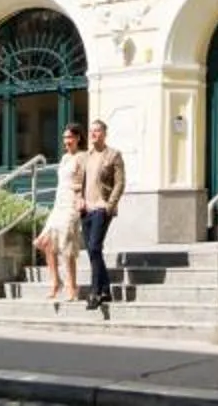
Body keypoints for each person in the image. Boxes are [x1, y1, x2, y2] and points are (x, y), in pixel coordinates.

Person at [78, 119, 124, 315]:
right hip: (86, 209)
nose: (93, 134)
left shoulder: (114, 155)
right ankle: (106, 289)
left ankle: (95, 292)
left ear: (104, 134)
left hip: (101, 209)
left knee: (95, 247)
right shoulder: (86, 157)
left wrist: (109, 205)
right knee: (92, 251)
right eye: (92, 131)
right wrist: (79, 199)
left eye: (97, 131)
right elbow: (79, 182)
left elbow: (120, 184)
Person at [36, 124, 85, 306]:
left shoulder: (82, 157)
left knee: (67, 247)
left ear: (78, 138)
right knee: (46, 242)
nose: (66, 141)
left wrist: (75, 189)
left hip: (72, 204)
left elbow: (87, 182)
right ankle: (56, 282)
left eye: (70, 137)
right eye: (65, 138)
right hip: (58, 204)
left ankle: (72, 286)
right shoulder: (65, 158)